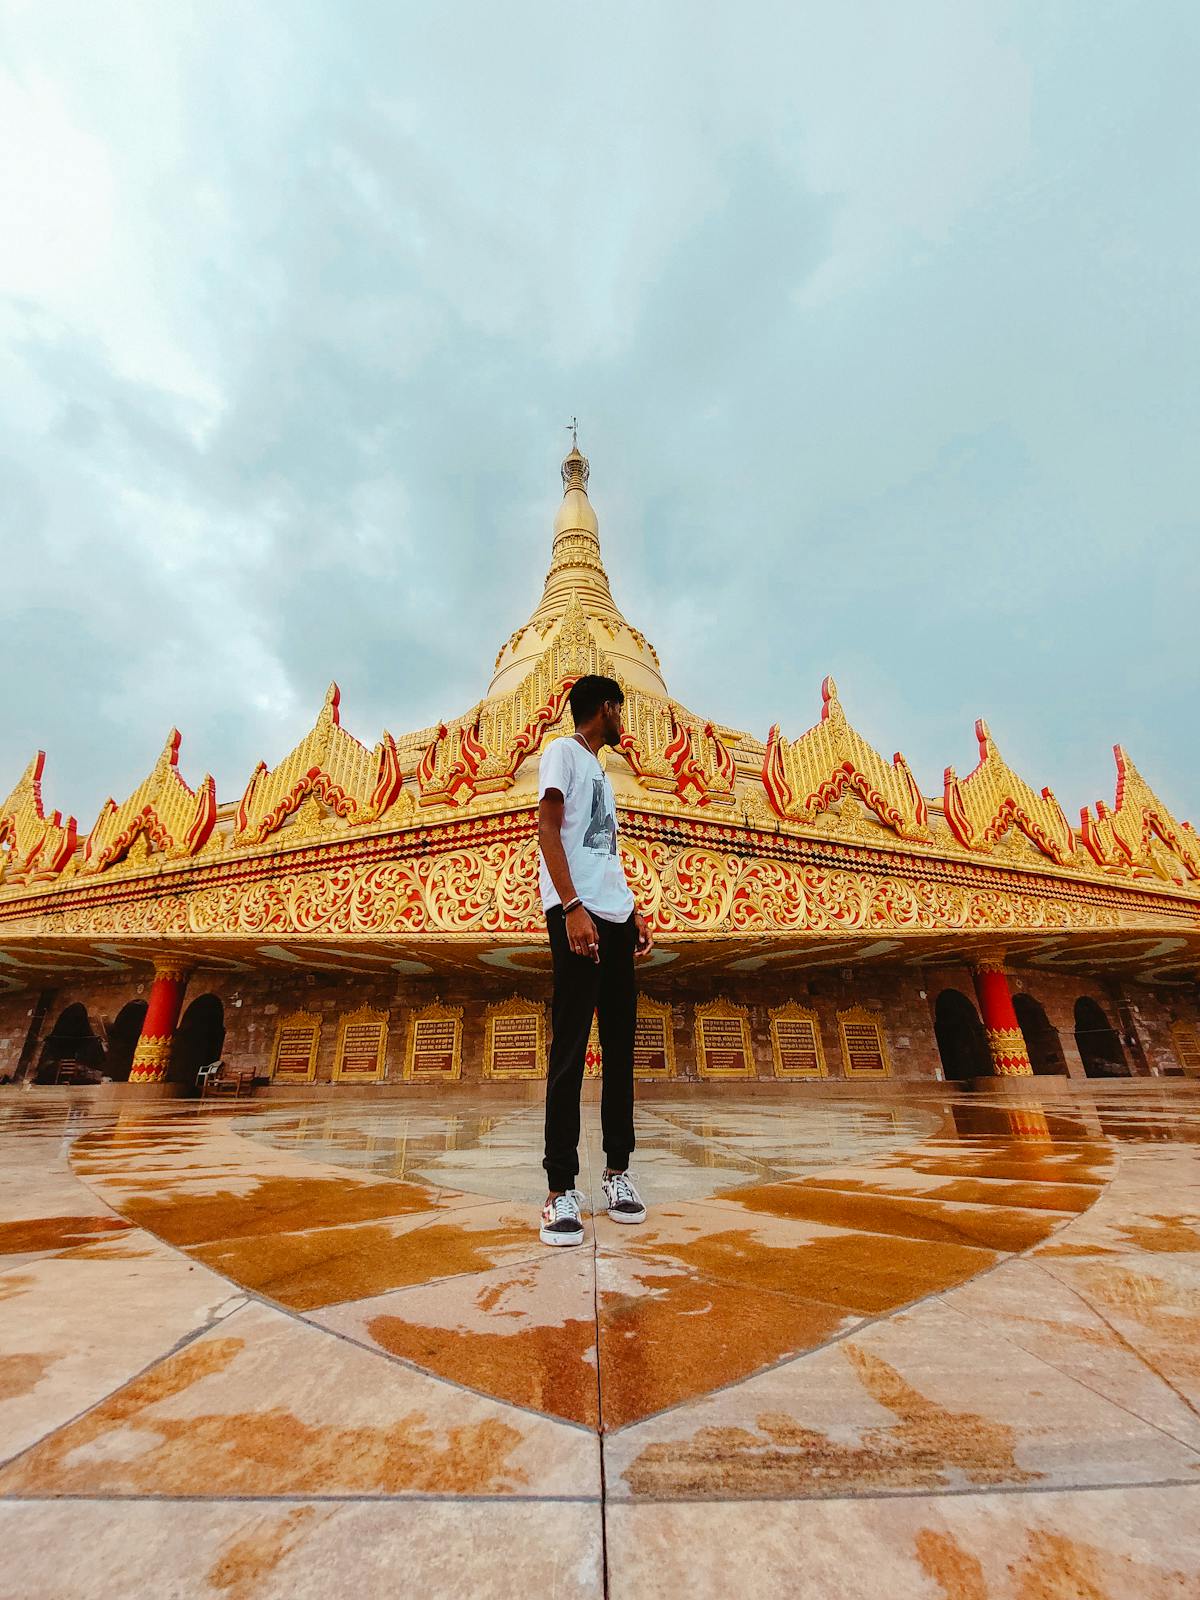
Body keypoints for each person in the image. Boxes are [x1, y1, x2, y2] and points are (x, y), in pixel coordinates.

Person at [537, 674, 653, 1245]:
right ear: (605, 709)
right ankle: (560, 1188)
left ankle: (617, 1173)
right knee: (569, 1048)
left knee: (621, 1050)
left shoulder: (602, 771)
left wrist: (630, 914)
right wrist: (572, 907)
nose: (623, 720)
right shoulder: (562, 752)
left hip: (614, 916)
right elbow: (549, 831)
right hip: (578, 917)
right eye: (620, 710)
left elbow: (604, 849)